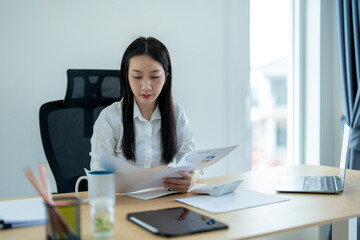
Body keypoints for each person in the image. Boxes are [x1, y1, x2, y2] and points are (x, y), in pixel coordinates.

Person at [90, 37, 198, 192]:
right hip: (123, 206)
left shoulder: (177, 113)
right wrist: (147, 175)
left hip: (164, 204)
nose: (146, 86)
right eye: (137, 77)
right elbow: (98, 176)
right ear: (126, 76)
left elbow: (192, 161)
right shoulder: (109, 118)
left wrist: (193, 178)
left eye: (154, 77)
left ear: (166, 76)